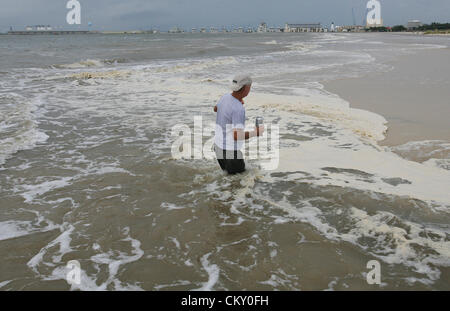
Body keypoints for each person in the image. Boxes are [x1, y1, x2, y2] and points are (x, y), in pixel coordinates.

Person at [213, 74, 264, 175]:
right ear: (246, 88)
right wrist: (256, 132)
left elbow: (216, 109)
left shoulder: (225, 97)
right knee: (240, 182)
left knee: (228, 178)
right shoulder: (238, 109)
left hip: (218, 147)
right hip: (231, 152)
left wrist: (236, 102)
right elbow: (237, 136)